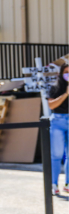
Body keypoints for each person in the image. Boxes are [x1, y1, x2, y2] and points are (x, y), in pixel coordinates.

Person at [48, 64, 69, 195]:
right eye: (66, 72)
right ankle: (54, 184)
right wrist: (66, 94)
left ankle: (67, 184)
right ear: (61, 73)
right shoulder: (55, 87)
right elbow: (52, 105)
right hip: (58, 121)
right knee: (56, 155)